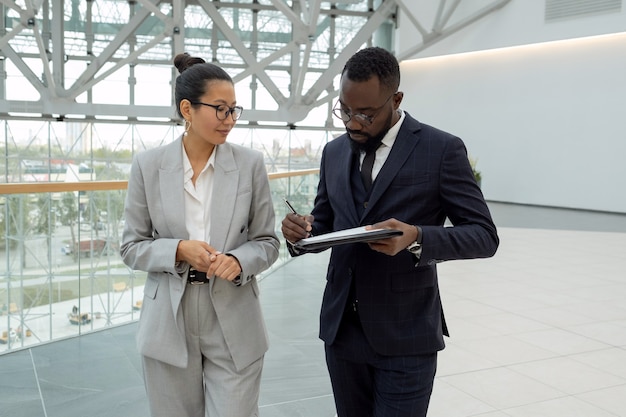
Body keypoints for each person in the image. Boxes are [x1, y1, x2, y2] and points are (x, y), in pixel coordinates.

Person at [281, 47, 499, 417]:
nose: (353, 123)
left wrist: (417, 237)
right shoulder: (333, 152)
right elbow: (325, 221)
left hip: (406, 334)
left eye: (366, 113)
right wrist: (300, 232)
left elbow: (483, 235)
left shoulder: (441, 149)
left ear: (396, 99)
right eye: (345, 110)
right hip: (342, 333)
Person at [120, 52, 280, 417]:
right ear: (187, 110)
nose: (229, 120)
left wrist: (239, 260)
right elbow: (131, 246)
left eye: (234, 110)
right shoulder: (148, 165)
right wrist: (178, 250)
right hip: (169, 319)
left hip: (234, 314)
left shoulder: (250, 164)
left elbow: (268, 242)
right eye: (220, 109)